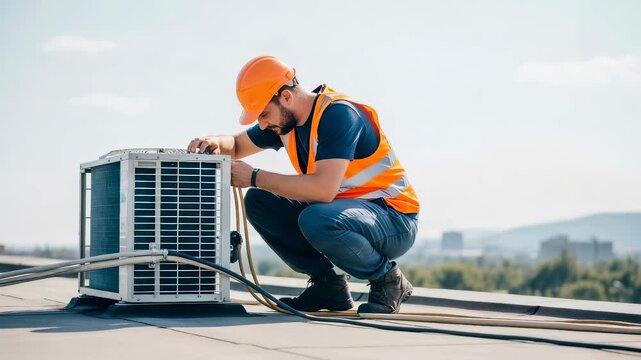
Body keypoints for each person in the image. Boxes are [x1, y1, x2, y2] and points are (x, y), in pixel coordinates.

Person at [187, 56, 420, 314]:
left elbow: (323, 190)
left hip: (394, 219)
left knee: (315, 218)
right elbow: (237, 145)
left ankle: (388, 280)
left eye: (263, 114)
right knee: (258, 202)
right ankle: (327, 287)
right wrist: (215, 142)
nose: (262, 123)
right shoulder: (285, 122)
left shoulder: (339, 115)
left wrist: (253, 176)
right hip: (349, 214)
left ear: (286, 97)